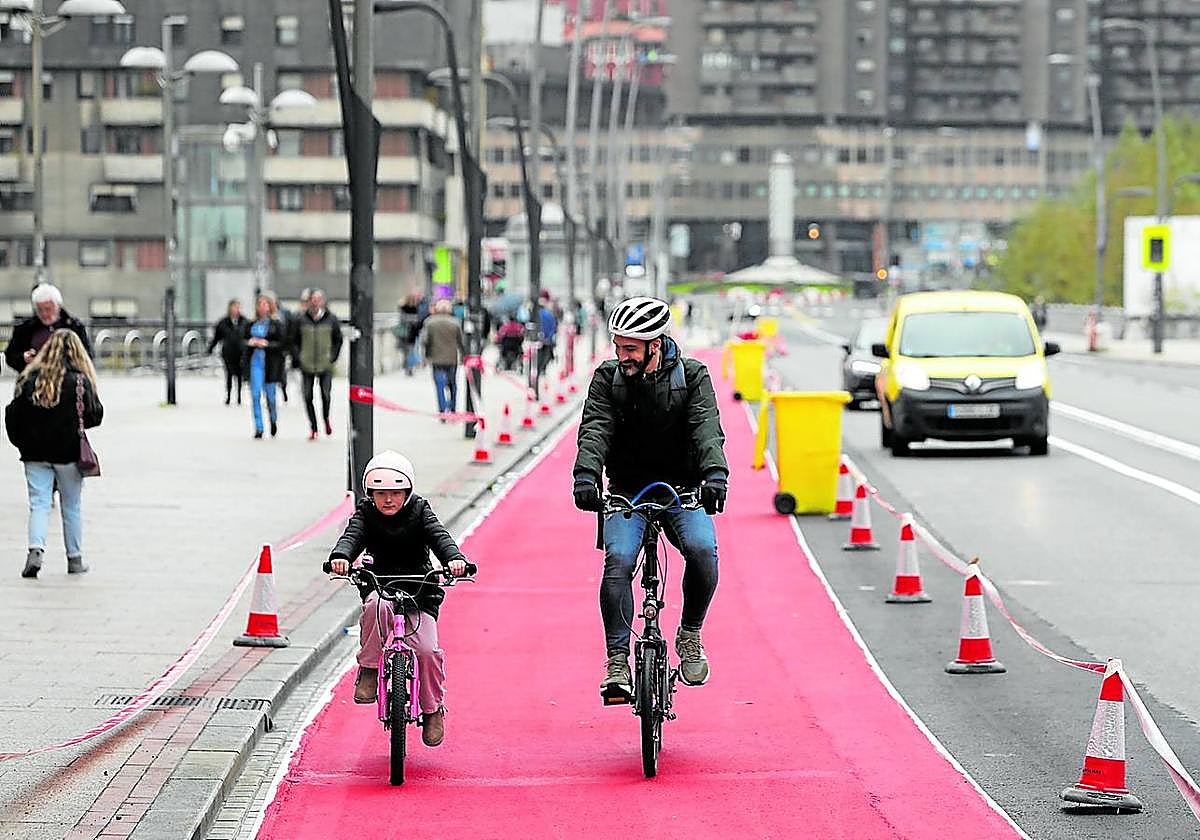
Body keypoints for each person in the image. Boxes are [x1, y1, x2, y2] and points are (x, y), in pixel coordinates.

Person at [571, 296, 729, 702]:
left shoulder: (693, 376)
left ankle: (690, 633)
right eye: (618, 346)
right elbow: (596, 429)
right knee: (619, 561)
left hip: (683, 488)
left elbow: (705, 427)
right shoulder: (608, 379)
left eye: (630, 349)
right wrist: (586, 476)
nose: (621, 355)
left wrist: (715, 476)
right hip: (627, 489)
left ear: (654, 345)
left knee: (702, 549)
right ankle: (618, 661)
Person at [326, 451, 472, 747]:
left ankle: (432, 710)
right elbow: (351, 537)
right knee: (374, 608)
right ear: (371, 494)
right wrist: (341, 556)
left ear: (407, 493)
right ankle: (368, 669)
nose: (388, 500)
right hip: (379, 582)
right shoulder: (366, 513)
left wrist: (454, 559)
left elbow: (439, 536)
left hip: (420, 588)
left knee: (428, 651)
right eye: (381, 494)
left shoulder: (420, 510)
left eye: (395, 493)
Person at [5, 330, 103, 578]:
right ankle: (74, 558)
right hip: (69, 452)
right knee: (71, 505)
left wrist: (22, 444)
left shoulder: (30, 379)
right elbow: (95, 415)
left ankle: (36, 550)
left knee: (39, 504)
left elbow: (13, 415)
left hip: (34, 453)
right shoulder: (80, 381)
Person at [4, 283, 92, 375]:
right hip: (33, 381)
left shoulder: (74, 327)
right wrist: (23, 358)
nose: (44, 314)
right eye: (40, 310)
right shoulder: (25, 329)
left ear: (58, 306)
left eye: (48, 309)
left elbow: (87, 356)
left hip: (66, 382)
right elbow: (10, 356)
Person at [294, 289, 343, 441]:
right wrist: (299, 357)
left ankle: (326, 419)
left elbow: (338, 340)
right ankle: (314, 428)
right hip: (307, 363)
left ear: (322, 301)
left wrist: (332, 357)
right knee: (307, 396)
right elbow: (294, 340)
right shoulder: (301, 320)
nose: (315, 302)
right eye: (312, 299)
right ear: (308, 302)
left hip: (325, 364)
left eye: (318, 299)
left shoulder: (331, 319)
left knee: (325, 395)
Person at [242, 294, 287, 439]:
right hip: (255, 363)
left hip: (270, 364)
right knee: (255, 395)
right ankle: (259, 426)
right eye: (260, 304)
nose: (262, 307)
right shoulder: (251, 324)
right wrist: (250, 343)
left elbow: (282, 344)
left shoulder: (276, 325)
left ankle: (273, 420)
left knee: (271, 397)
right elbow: (241, 340)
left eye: (265, 304)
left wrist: (267, 344)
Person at [421, 298, 464, 417]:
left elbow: (425, 341)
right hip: (452, 359)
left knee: (439, 385)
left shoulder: (429, 322)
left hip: (436, 359)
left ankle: (442, 409)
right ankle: (453, 407)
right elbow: (461, 342)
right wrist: (463, 356)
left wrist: (425, 357)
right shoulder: (455, 323)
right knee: (452, 384)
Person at [207, 299, 248, 405]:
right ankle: (229, 395)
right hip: (228, 352)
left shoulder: (244, 322)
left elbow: (248, 336)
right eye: (234, 307)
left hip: (240, 352)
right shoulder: (223, 322)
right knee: (229, 373)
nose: (236, 309)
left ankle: (239, 396)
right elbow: (217, 337)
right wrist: (210, 348)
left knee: (239, 374)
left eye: (238, 307)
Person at [395, 292, 423, 376]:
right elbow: (417, 320)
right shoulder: (411, 308)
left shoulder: (408, 308)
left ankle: (408, 367)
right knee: (410, 351)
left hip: (407, 334)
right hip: (410, 333)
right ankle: (409, 367)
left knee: (408, 351)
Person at [537, 290, 559, 377]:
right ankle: (543, 369)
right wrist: (549, 338)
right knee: (546, 355)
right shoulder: (549, 314)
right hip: (547, 340)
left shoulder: (537, 314)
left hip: (540, 339)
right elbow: (553, 327)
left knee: (539, 355)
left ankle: (540, 369)